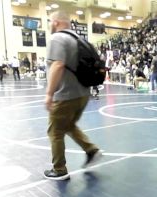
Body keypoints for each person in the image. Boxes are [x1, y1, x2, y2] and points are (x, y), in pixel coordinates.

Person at [44, 11, 102, 180]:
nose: (49, 24)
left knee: (55, 131)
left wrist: (49, 94)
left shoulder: (57, 39)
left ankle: (59, 169)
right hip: (83, 94)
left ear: (55, 22)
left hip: (65, 95)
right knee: (68, 125)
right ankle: (91, 150)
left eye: (49, 21)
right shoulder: (81, 40)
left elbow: (58, 64)